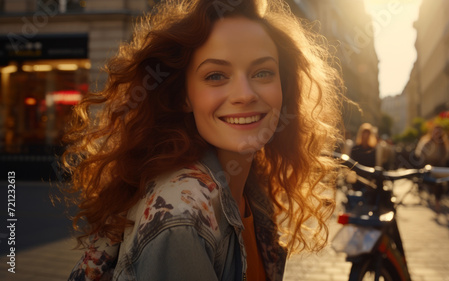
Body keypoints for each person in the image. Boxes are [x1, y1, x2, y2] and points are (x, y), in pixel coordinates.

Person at [63, 0, 343, 280]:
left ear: (284, 86)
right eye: (216, 75)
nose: (244, 94)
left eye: (262, 72)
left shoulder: (251, 189)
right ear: (184, 96)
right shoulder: (182, 220)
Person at [415, 124, 449, 213]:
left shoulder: (444, 144)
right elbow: (420, 153)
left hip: (439, 166)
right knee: (431, 184)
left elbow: (446, 154)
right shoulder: (427, 142)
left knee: (439, 185)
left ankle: (437, 202)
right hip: (428, 166)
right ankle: (431, 196)